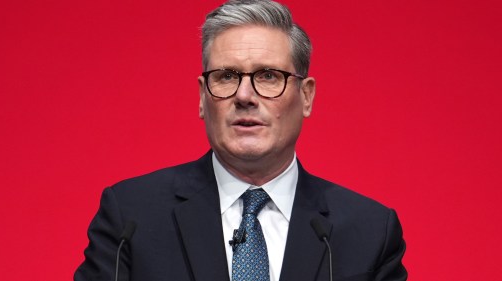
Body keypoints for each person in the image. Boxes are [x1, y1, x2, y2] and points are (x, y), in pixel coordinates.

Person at [74, 0, 407, 280]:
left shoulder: (369, 231)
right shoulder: (131, 216)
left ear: (306, 97)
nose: (245, 96)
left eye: (268, 76)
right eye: (226, 77)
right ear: (203, 98)